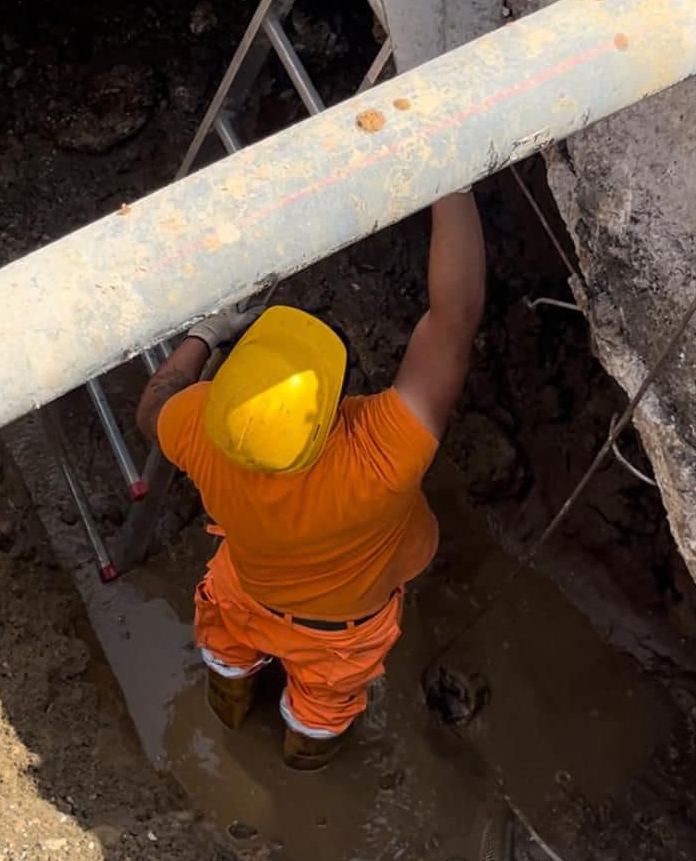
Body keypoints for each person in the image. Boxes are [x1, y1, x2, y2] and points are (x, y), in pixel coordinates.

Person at [136, 191, 485, 771]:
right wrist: (456, 183)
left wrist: (204, 335)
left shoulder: (201, 427)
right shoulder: (379, 455)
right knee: (324, 705)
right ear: (329, 410)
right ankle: (305, 758)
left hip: (246, 592)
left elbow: (154, 404)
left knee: (226, 651)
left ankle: (229, 702)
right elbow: (454, 319)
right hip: (340, 633)